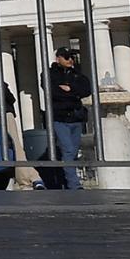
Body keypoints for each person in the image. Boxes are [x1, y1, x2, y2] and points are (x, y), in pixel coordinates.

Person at [43, 45, 90, 190]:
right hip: (59, 117)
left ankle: (65, 178)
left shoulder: (76, 73)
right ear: (58, 59)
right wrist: (73, 92)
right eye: (67, 57)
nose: (70, 60)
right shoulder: (50, 73)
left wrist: (70, 89)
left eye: (72, 57)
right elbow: (53, 92)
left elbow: (86, 89)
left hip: (75, 117)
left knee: (73, 152)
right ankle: (74, 184)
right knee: (68, 150)